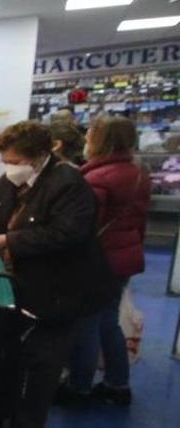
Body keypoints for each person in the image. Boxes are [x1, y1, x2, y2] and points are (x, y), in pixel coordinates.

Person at [0, 121, 112, 427]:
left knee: (39, 375)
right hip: (17, 292)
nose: (9, 168)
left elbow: (66, 233)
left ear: (40, 156)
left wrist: (10, 241)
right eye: (5, 161)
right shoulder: (7, 183)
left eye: (16, 162)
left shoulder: (69, 184)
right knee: (9, 366)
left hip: (58, 297)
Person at [61, 116, 150, 406]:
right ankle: (117, 383)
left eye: (90, 136)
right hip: (125, 255)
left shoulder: (97, 177)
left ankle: (79, 387)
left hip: (98, 261)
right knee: (108, 322)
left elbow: (84, 227)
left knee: (87, 324)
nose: (86, 141)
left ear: (100, 140)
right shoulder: (138, 172)